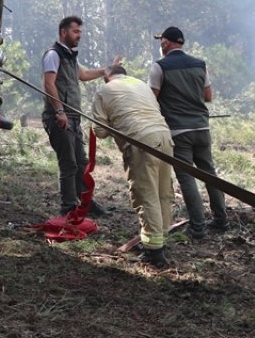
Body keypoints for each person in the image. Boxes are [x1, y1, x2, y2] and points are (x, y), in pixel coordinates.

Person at [90, 65, 175, 268]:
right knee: (163, 192)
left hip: (140, 141)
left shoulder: (104, 91)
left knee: (147, 196)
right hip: (165, 137)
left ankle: (154, 252)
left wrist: (114, 123)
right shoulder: (141, 85)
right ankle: (161, 239)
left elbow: (99, 131)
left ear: (107, 78)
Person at [149, 26, 228, 239]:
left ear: (166, 43)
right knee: (209, 173)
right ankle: (221, 220)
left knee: (186, 177)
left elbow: (151, 99)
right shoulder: (199, 64)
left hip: (178, 130)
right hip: (202, 128)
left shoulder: (160, 67)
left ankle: (198, 227)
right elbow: (208, 96)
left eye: (161, 42)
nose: (160, 45)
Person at [41, 15, 116, 217]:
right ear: (63, 32)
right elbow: (49, 84)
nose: (79, 35)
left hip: (73, 117)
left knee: (81, 163)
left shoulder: (70, 56)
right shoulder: (53, 55)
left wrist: (106, 70)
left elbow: (83, 75)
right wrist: (59, 111)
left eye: (80, 32)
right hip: (59, 117)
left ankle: (86, 203)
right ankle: (68, 207)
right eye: (75, 31)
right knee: (68, 163)